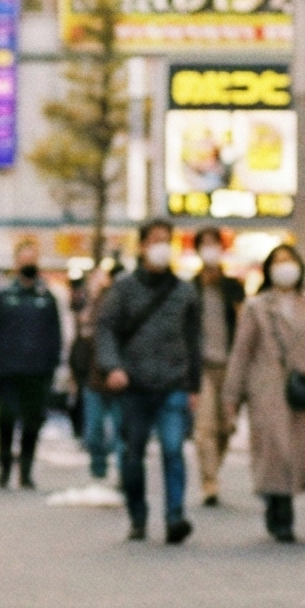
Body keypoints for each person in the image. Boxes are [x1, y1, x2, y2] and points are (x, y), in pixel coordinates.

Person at [94, 221, 206, 544]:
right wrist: (112, 366)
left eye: (167, 241)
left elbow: (194, 341)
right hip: (134, 384)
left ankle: (175, 517)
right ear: (142, 246)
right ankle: (138, 515)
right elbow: (106, 329)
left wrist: (194, 385)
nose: (162, 247)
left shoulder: (185, 291)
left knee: (173, 449)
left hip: (173, 383)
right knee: (132, 453)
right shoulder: (124, 289)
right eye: (156, 241)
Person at [224, 242, 305, 541]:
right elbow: (241, 353)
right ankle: (280, 508)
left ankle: (279, 499)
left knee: (298, 450)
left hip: (303, 387)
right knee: (274, 449)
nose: (285, 267)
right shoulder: (256, 306)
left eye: (290, 261)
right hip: (266, 388)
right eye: (279, 261)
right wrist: (232, 396)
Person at [0, 237, 65, 488]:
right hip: (6, 371)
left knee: (32, 422)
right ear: (16, 263)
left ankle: (26, 470)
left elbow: (54, 334)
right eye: (24, 259)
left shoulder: (47, 298)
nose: (28, 264)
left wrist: (54, 364)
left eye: (32, 259)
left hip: (37, 371)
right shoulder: (2, 297)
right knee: (7, 419)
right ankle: (4, 466)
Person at [186, 226, 247, 507]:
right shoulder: (191, 288)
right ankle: (209, 482)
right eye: (205, 244)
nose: (210, 249)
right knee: (204, 427)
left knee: (225, 427)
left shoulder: (232, 286)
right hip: (202, 367)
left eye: (214, 244)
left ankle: (213, 470)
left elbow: (243, 324)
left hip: (231, 365)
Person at [70, 264, 124, 493]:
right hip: (92, 378)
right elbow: (79, 345)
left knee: (120, 430)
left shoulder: (117, 305)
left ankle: (121, 471)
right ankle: (99, 468)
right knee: (93, 431)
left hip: (116, 375)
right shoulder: (86, 306)